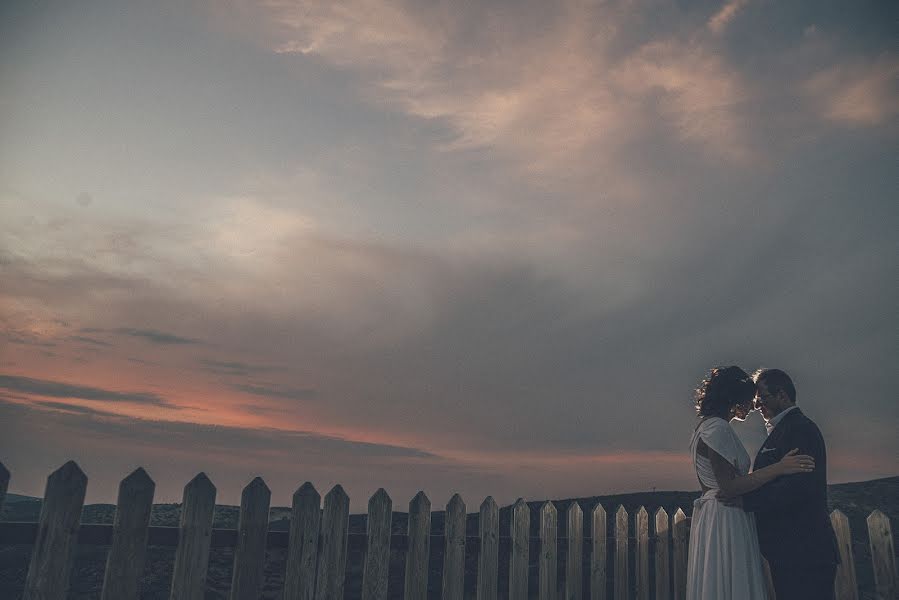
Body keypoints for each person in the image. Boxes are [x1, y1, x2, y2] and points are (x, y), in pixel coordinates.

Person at [686, 366, 814, 600]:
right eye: (748, 399)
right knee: (732, 580)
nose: (753, 405)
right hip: (727, 514)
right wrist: (779, 467)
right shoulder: (718, 428)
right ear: (733, 397)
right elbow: (729, 487)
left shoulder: (704, 427)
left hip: (714, 514)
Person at [740, 368, 840, 599]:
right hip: (790, 551)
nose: (757, 406)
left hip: (804, 551)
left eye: (762, 398)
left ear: (782, 395)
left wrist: (744, 500)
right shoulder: (785, 430)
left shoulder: (800, 429)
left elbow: (798, 488)